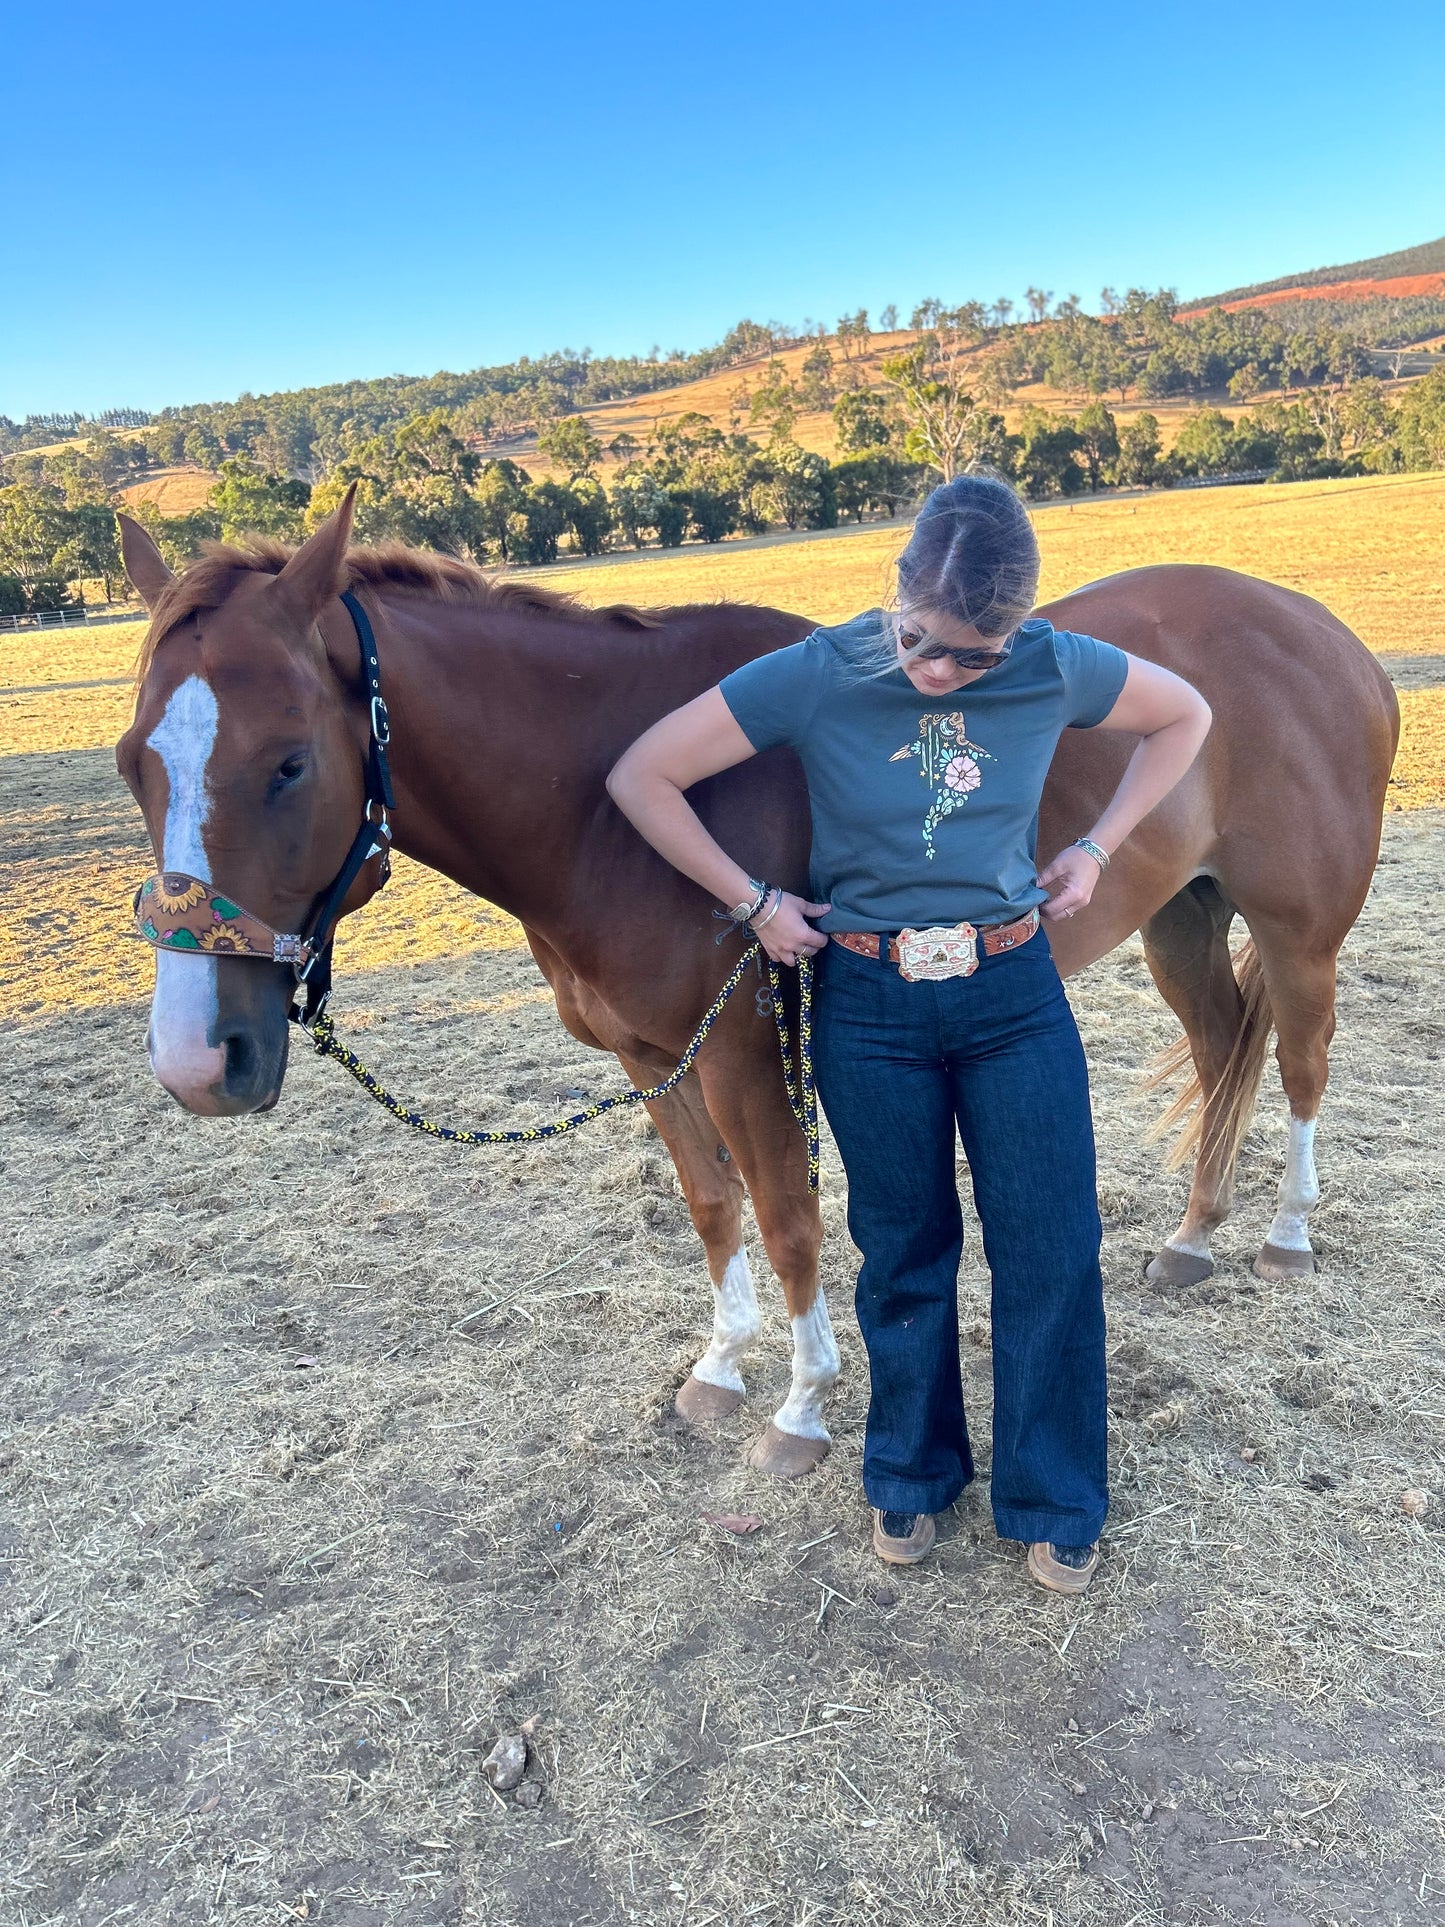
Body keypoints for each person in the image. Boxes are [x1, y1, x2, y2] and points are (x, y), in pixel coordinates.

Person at [607, 473, 1211, 1589]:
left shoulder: (1051, 664)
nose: (939, 672)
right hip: (870, 1006)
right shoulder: (820, 670)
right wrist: (752, 900)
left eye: (971, 656)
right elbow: (643, 774)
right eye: (921, 642)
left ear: (1018, 626)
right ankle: (909, 1473)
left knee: (1049, 1244)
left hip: (1011, 995)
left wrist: (1096, 847)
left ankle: (1053, 1492)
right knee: (903, 1251)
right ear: (893, 593)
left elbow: (1185, 716)